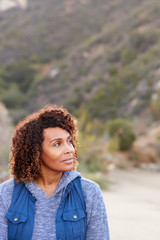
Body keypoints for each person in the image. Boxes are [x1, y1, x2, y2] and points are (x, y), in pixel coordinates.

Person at [0, 105, 110, 240]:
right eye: (57, 144)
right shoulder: (6, 193)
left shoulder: (89, 191)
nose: (69, 149)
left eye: (69, 141)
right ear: (35, 152)